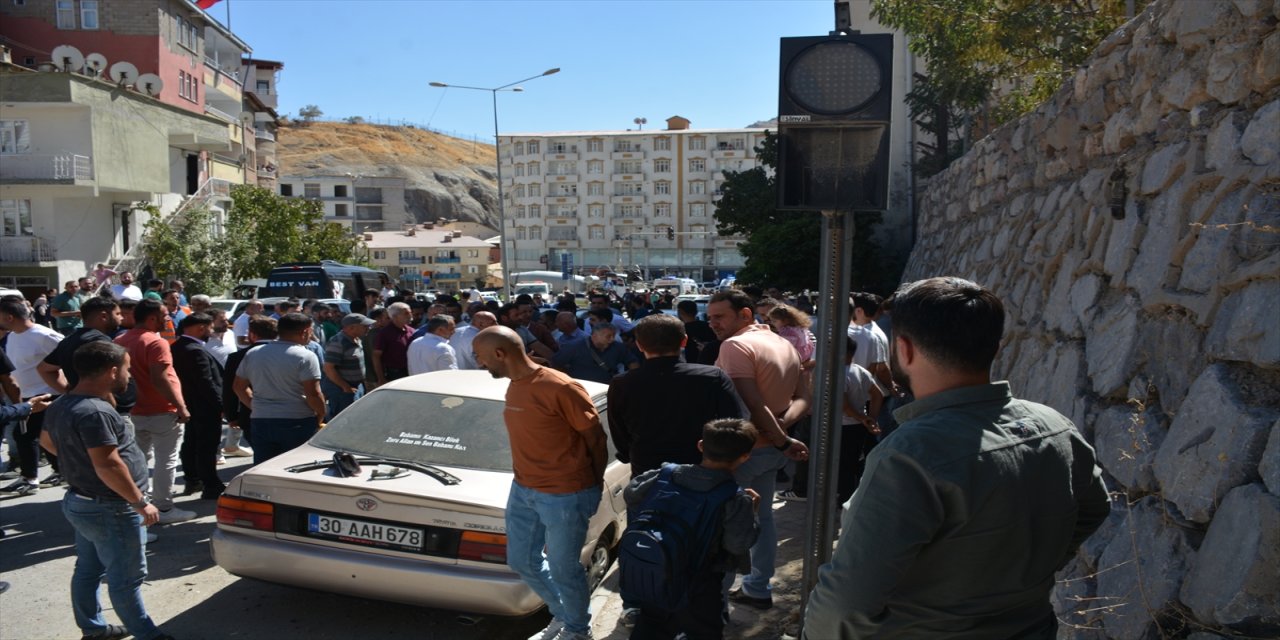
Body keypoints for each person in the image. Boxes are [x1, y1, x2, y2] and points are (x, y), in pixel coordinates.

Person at [803, 277, 1112, 639]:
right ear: (996, 348)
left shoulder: (909, 455)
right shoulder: (1055, 425)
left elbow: (846, 600)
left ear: (903, 350)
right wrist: (1026, 570)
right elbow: (1095, 508)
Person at [471, 326, 607, 640]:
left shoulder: (559, 386)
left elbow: (596, 438)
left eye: (481, 357)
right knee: (521, 561)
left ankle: (576, 630)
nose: (480, 364)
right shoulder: (514, 384)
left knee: (563, 567)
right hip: (523, 489)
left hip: (565, 493)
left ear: (500, 354)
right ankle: (566, 615)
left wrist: (592, 484)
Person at [39, 341, 176, 640]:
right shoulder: (95, 412)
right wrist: (140, 502)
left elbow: (48, 443)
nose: (129, 375)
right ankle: (148, 635)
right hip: (111, 508)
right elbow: (108, 465)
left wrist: (80, 461)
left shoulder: (64, 403)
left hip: (84, 502)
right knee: (126, 578)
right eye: (127, 368)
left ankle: (94, 629)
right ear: (113, 371)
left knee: (88, 570)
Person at [705, 289, 809, 610]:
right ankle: (758, 587)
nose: (713, 324)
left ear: (746, 315)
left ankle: (715, 608)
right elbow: (804, 399)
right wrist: (782, 432)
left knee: (726, 528)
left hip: (744, 454)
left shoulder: (736, 346)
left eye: (719, 317)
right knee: (762, 519)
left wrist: (779, 436)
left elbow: (751, 404)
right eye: (709, 318)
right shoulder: (784, 344)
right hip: (769, 451)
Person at [623, 419, 761, 640]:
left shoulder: (666, 474)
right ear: (745, 456)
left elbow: (631, 495)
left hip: (656, 569)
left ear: (700, 445)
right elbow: (738, 544)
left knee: (651, 625)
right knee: (703, 631)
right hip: (700, 582)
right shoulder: (735, 497)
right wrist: (751, 513)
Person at [607, 314, 748, 477]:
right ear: (684, 341)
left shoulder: (622, 383)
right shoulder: (713, 377)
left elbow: (619, 433)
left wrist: (628, 454)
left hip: (649, 474)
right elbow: (736, 424)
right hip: (703, 472)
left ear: (639, 345)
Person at [114, 300, 195, 524]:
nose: (167, 320)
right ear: (151, 318)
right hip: (161, 411)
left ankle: (139, 506)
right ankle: (163, 508)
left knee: (137, 461)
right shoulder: (156, 342)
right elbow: (159, 378)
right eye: (164, 316)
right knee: (165, 460)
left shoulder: (120, 339)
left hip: (135, 411)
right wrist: (181, 406)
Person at [233, 313, 326, 463]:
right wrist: (321, 414)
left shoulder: (253, 353)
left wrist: (255, 406)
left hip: (261, 420)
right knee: (295, 469)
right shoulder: (305, 356)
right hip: (297, 421)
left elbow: (238, 387)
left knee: (265, 469)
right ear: (305, 332)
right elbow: (313, 394)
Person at [0, 296, 64, 495]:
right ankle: (60, 471)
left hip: (45, 396)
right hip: (25, 397)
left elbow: (69, 358)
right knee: (40, 437)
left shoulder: (43, 335)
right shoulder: (11, 337)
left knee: (25, 436)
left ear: (9, 317)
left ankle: (30, 479)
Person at [171, 313, 224, 499]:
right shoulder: (194, 350)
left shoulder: (178, 347)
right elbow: (205, 383)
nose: (211, 331)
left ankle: (193, 479)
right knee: (205, 446)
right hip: (203, 406)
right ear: (201, 327)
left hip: (191, 405)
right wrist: (220, 405)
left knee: (192, 442)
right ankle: (209, 483)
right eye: (209, 327)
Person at [222, 316, 275, 458]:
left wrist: (232, 415)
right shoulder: (291, 353)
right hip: (291, 414)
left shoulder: (237, 357)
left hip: (251, 413)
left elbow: (230, 389)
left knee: (262, 454)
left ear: (252, 334)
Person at [321, 313, 374, 419]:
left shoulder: (357, 339)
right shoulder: (338, 342)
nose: (368, 328)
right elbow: (328, 368)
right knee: (343, 420)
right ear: (351, 328)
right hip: (342, 391)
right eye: (365, 326)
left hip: (355, 388)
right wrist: (345, 387)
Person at [551, 322, 638, 384]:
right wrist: (566, 379)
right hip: (582, 389)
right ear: (594, 336)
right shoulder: (574, 347)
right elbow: (556, 363)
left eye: (613, 336)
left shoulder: (618, 347)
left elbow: (632, 362)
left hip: (608, 388)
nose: (612, 339)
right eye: (608, 337)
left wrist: (630, 378)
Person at [372, 302, 414, 385]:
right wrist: (381, 378)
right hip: (395, 374)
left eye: (410, 312)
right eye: (406, 313)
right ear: (394, 317)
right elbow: (376, 356)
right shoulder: (384, 333)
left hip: (411, 371)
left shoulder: (411, 330)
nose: (410, 315)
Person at [676, 300, 718, 365]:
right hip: (711, 364)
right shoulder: (710, 327)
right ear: (696, 311)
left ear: (680, 312)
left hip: (689, 366)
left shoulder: (679, 330)